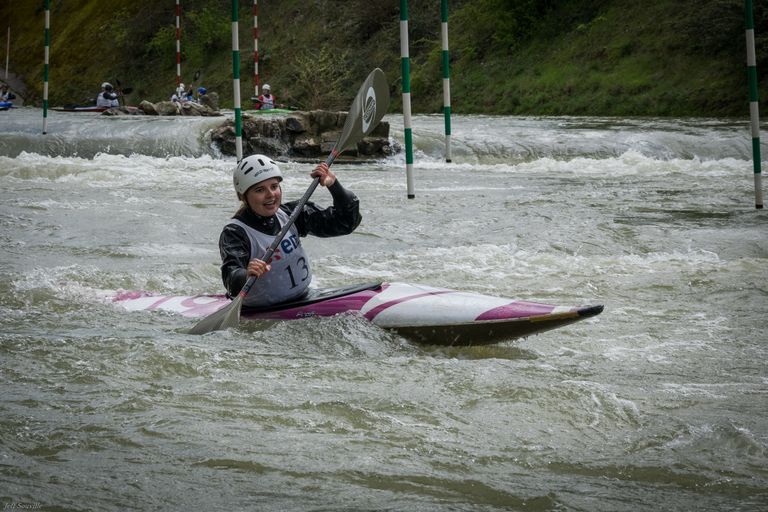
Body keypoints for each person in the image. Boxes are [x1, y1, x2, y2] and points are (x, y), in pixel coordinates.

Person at [219, 154, 362, 308]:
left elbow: (346, 223)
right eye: (260, 190)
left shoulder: (292, 214)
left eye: (274, 186)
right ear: (243, 196)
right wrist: (246, 273)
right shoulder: (235, 233)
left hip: (305, 297)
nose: (270, 195)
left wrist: (334, 185)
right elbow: (230, 278)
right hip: (261, 308)